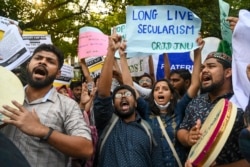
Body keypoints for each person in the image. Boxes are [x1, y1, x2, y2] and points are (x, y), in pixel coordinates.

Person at [0, 43, 93, 167]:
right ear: (28, 65)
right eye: (38, 58)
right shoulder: (6, 95)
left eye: (50, 61)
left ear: (58, 73)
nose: (42, 62)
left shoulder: (68, 105)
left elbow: (86, 149)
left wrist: (42, 131)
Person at [119, 36, 203, 166]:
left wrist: (198, 53)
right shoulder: (146, 109)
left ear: (171, 95)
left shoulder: (179, 108)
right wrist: (122, 57)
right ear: (153, 95)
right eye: (157, 89)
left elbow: (195, 84)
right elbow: (129, 86)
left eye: (165, 89)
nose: (160, 91)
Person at [93, 33, 161, 167]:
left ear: (136, 102)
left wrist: (122, 56)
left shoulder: (149, 128)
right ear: (112, 104)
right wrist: (111, 52)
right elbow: (103, 94)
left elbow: (157, 162)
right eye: (118, 95)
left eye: (127, 94)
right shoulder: (106, 123)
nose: (123, 96)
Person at [177, 52, 247, 166]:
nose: (204, 70)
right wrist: (188, 137)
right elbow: (182, 129)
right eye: (203, 67)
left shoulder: (242, 104)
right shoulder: (196, 102)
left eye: (211, 66)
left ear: (228, 72)